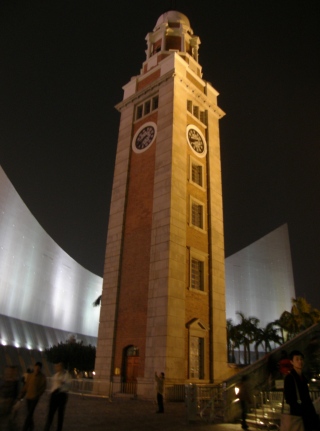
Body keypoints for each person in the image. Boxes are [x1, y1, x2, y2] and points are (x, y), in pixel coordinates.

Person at [284, 350, 320, 431]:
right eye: (297, 359)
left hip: (309, 414)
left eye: (301, 359)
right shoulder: (290, 378)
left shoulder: (303, 377)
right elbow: (289, 398)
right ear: (291, 362)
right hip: (299, 415)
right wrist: (300, 408)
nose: (300, 361)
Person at [44, 362, 72, 431]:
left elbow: (68, 385)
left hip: (62, 395)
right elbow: (53, 386)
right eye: (56, 366)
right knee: (50, 413)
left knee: (60, 414)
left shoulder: (66, 375)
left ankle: (59, 429)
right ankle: (47, 428)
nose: (57, 368)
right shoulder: (55, 376)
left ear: (62, 367)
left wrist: (62, 383)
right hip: (54, 395)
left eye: (58, 366)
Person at [20, 362, 46, 431]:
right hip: (28, 396)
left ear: (40, 369)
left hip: (35, 398)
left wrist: (38, 394)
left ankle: (25, 428)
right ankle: (31, 426)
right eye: (36, 367)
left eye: (39, 368)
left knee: (29, 413)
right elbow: (26, 386)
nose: (37, 369)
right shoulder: (30, 376)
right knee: (29, 413)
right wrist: (22, 394)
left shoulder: (42, 377)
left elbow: (43, 388)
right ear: (34, 367)